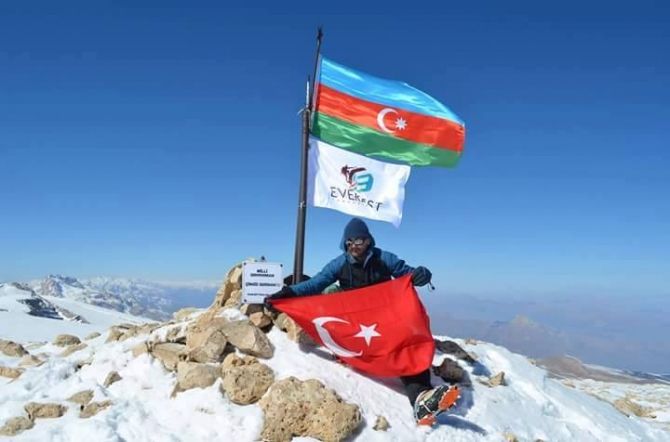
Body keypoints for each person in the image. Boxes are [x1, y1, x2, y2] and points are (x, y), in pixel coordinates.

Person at [266, 217, 460, 425]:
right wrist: (287, 293)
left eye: (359, 241)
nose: (354, 246)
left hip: (385, 317)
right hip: (356, 322)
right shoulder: (339, 264)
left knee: (406, 347)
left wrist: (421, 275)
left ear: (368, 241)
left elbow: (408, 274)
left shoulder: (384, 258)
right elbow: (315, 284)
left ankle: (421, 398)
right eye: (349, 242)